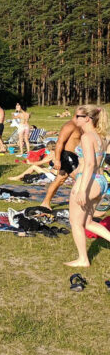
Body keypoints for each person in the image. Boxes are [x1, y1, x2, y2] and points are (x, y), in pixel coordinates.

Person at [66, 105, 110, 267]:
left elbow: (90, 164)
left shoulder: (86, 137)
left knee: (75, 222)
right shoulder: (102, 136)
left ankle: (83, 259)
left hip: (88, 181)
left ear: (87, 119)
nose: (75, 118)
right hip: (101, 180)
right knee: (88, 222)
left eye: (78, 116)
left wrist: (82, 190)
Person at [40, 114, 83, 209]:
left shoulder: (81, 125)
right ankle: (87, 205)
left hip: (75, 157)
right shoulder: (70, 126)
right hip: (67, 156)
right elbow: (59, 142)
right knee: (81, 179)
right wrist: (57, 160)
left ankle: (45, 202)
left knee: (59, 180)